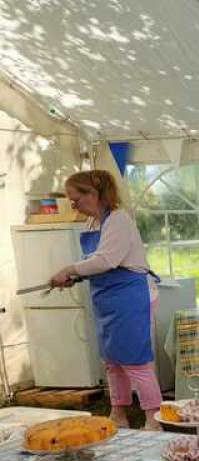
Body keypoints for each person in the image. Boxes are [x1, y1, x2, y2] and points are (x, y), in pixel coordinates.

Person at [49, 170, 163, 431]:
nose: (73, 204)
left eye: (75, 198)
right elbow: (95, 264)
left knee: (135, 361)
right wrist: (75, 277)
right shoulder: (92, 223)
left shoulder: (118, 220)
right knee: (112, 362)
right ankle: (118, 415)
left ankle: (153, 420)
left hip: (130, 297)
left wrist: (69, 269)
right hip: (107, 299)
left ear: (94, 193)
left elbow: (106, 260)